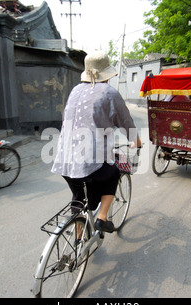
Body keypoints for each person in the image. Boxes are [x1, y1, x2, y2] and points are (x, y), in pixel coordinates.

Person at [51, 52, 142, 233]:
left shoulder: (75, 90)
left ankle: (77, 242)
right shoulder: (109, 93)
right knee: (113, 173)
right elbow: (126, 123)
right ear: (106, 75)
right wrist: (136, 142)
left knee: (78, 198)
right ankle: (102, 218)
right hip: (90, 161)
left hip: (65, 159)